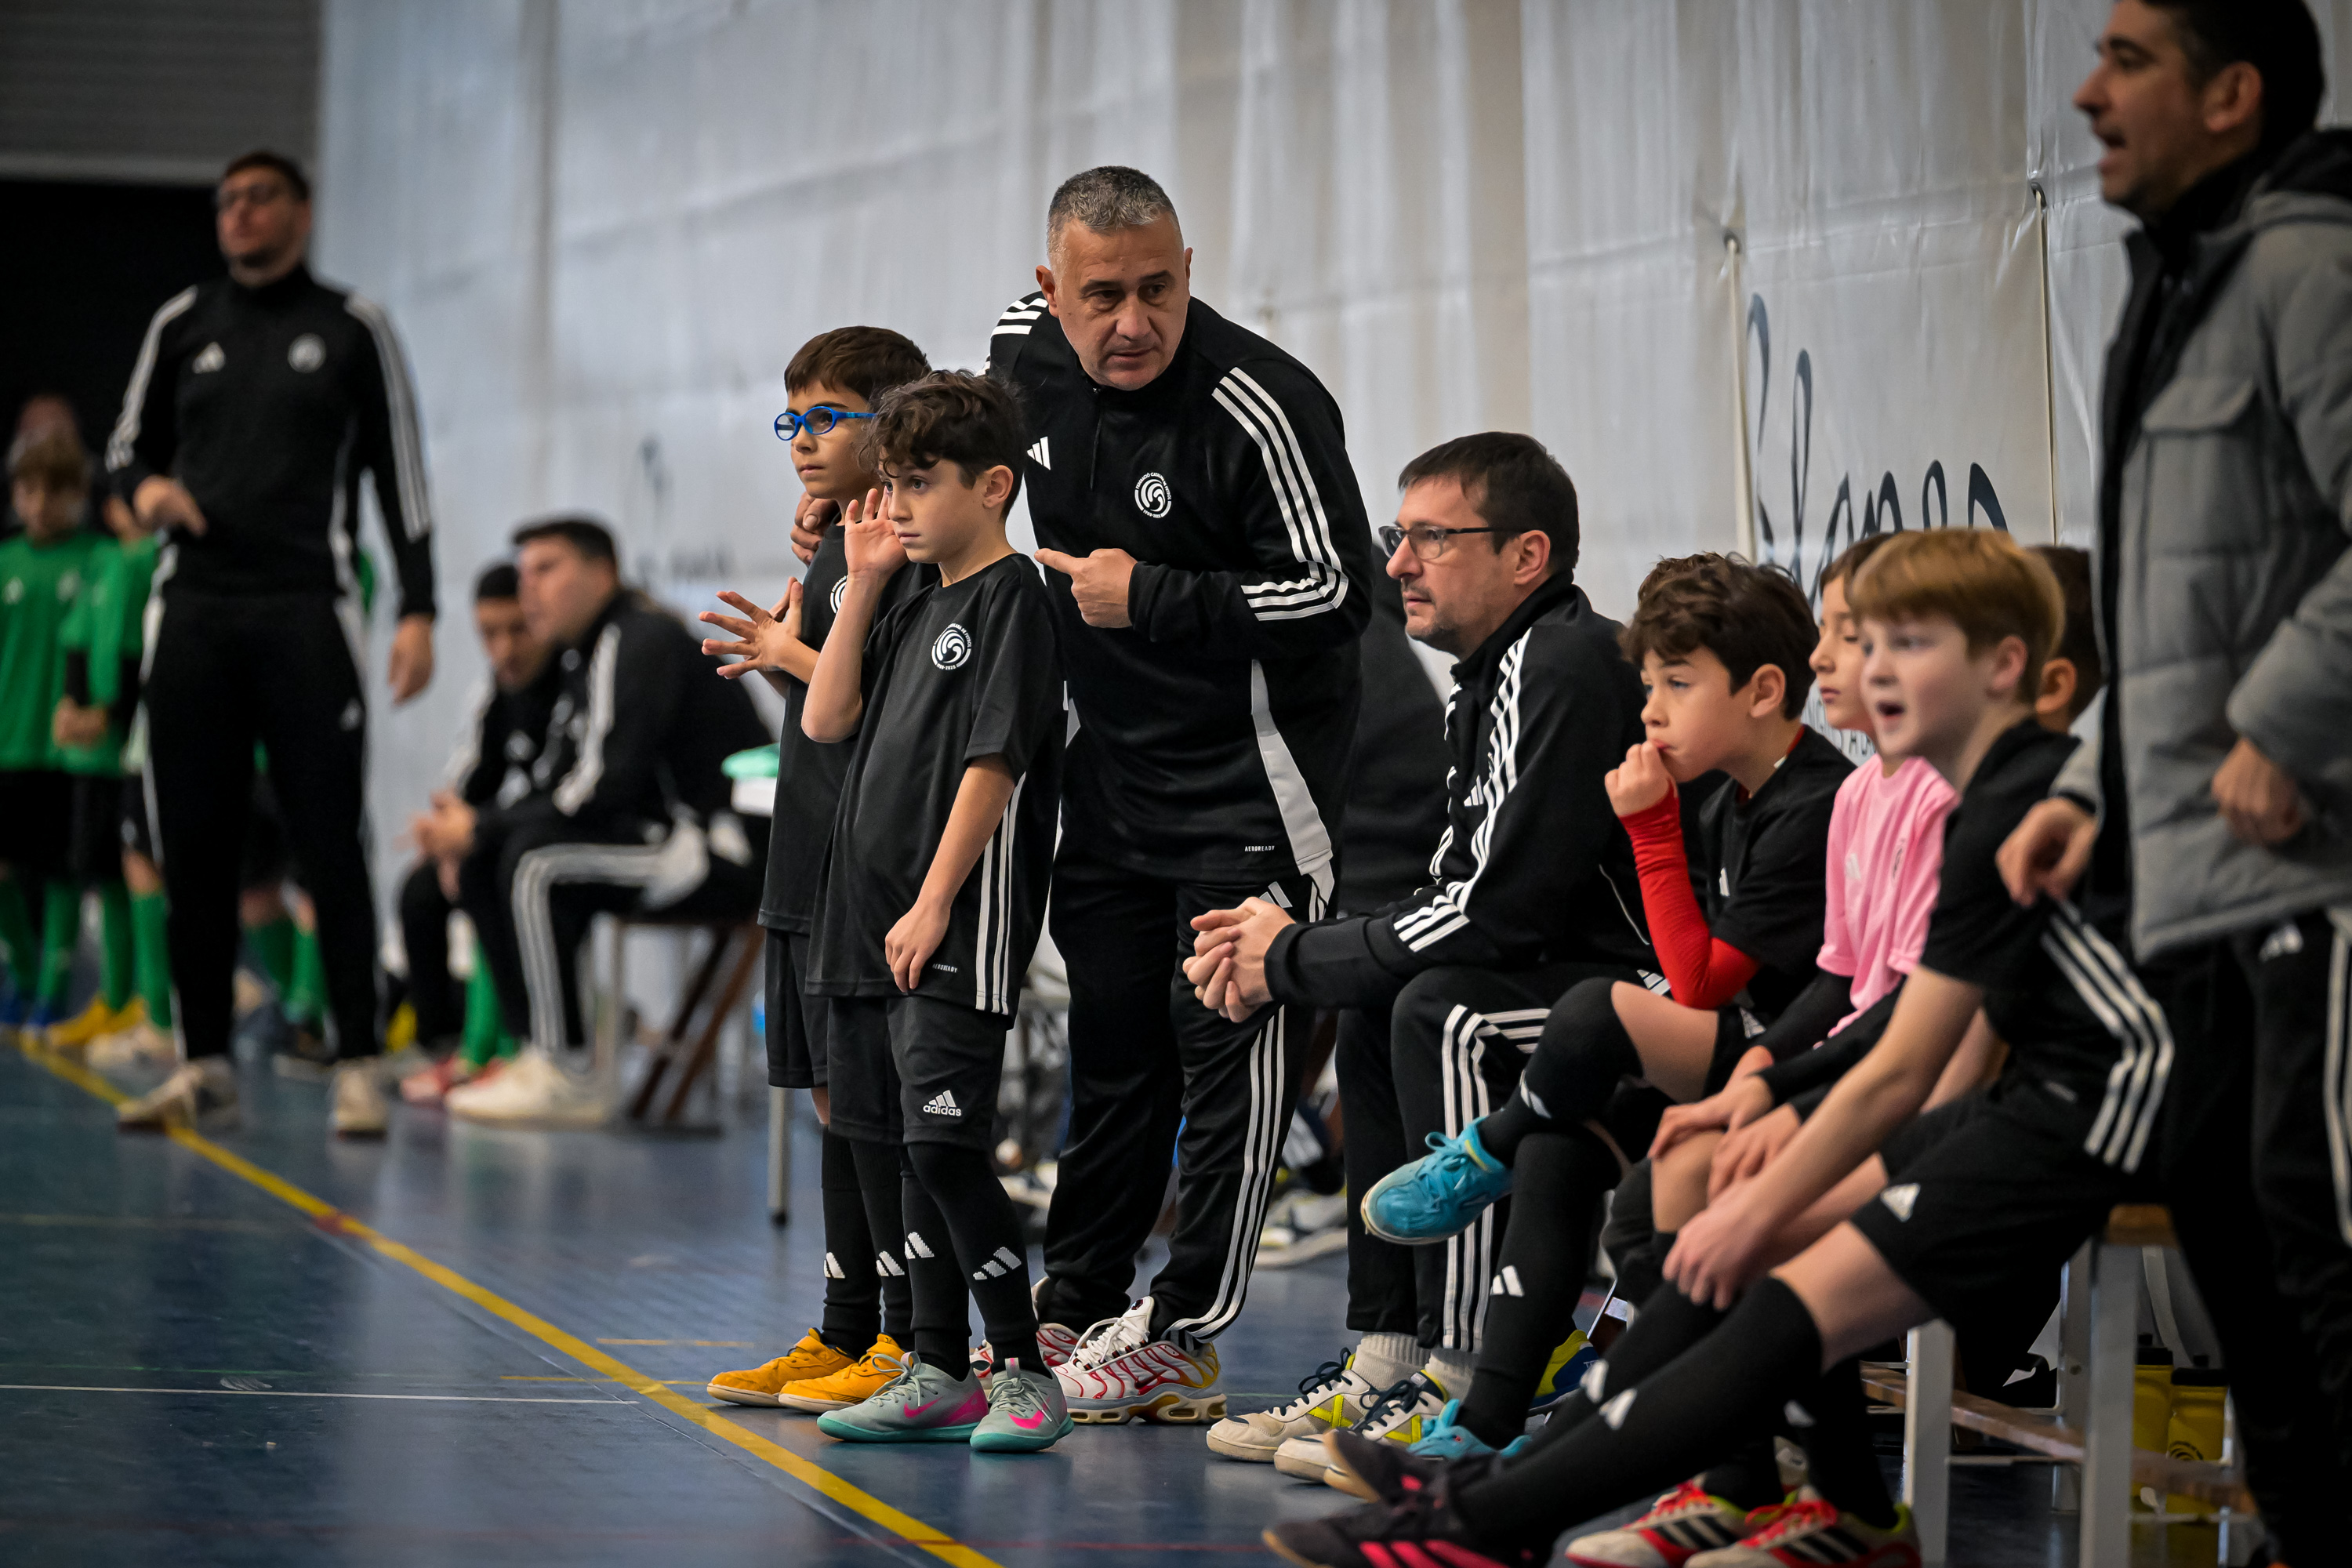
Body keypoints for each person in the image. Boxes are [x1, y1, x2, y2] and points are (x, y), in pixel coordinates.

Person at [1265, 531, 2100, 1568]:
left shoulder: (1996, 803)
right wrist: (1765, 1088)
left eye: (1901, 642)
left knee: (1709, 1204)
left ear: (2021, 671)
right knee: (1660, 1192)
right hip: (1963, 1102)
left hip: (2064, 1127)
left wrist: (1769, 1137)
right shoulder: (1943, 801)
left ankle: (1494, 1490)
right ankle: (1504, 1481)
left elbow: (1914, 1055)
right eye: (1858, 639)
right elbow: (1886, 1026)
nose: (1853, 665)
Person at [1998, 0, 2352, 1534]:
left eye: (2130, 60)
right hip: (2197, 879)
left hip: (2314, 866)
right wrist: (2090, 785)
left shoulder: (2313, 271)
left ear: (2234, 95)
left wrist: (2284, 721)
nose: (2088, 94)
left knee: (2314, 1237)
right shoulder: (2185, 283)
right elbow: (2179, 613)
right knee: (2233, 1236)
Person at [982, 164, 1376, 1421]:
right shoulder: (1020, 354)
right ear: (1050, 291)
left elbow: (1339, 591)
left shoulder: (1260, 403)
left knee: (1226, 1062)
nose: (1133, 321)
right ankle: (1074, 1303)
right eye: (1102, 296)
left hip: (1246, 793)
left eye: (1158, 288)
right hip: (1109, 782)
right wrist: (855, 505)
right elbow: (955, 458)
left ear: (1190, 272)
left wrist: (1148, 594)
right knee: (1111, 1051)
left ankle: (1186, 1331)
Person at [1181, 434, 1650, 1469]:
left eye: (1432, 538)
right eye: (1400, 536)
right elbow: (1455, 891)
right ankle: (1386, 1356)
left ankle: (1469, 1371)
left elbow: (1493, 913)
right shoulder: (1490, 678)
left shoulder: (1559, 661)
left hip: (1660, 992)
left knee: (1447, 1010)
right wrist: (1305, 955)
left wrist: (1288, 958)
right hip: (1570, 972)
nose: (1397, 563)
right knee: (1381, 990)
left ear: (1527, 556)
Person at [1353, 554, 1848, 1461]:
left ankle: (1485, 1148)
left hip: (1794, 1060)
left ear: (1764, 690)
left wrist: (1650, 828)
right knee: (1558, 1147)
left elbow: (1699, 984)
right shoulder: (1734, 797)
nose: (1651, 708)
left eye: (1677, 684)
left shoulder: (1810, 803)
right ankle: (1487, 1423)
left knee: (1591, 1013)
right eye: (1649, 683)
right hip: (1739, 1047)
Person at [107, 149, 438, 1138]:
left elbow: (400, 474)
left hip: (305, 610)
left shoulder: (352, 327)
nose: (240, 213)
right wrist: (147, 491)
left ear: (301, 211)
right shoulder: (182, 322)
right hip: (194, 611)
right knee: (192, 845)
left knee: (327, 839)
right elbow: (126, 448)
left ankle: (357, 1059)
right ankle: (203, 1060)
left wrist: (418, 607)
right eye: (228, 201)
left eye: (260, 198)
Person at [792, 372, 1069, 1451]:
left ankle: (1024, 1371)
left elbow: (995, 763)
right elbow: (826, 721)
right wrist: (864, 581)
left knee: (948, 1149)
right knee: (904, 1152)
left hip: (955, 921)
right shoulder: (913, 594)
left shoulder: (1012, 598)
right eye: (892, 482)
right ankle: (938, 1367)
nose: (897, 504)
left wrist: (936, 899)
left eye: (920, 483)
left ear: (992, 486)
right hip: (872, 919)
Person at [699, 325, 934, 1415]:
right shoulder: (838, 544)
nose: (802, 439)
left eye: (828, 418)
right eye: (792, 420)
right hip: (804, 850)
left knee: (876, 1102)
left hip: (864, 860)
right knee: (835, 1100)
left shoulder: (904, 551)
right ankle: (846, 1324)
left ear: (892, 424)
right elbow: (818, 695)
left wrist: (789, 652)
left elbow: (884, 708)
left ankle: (908, 1334)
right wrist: (788, 635)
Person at [445, 516, 768, 1126]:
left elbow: (602, 787)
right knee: (487, 858)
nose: (531, 588)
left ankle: (567, 1071)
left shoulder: (635, 637)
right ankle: (534, 1050)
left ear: (602, 573)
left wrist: (483, 825)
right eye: (524, 574)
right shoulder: (585, 652)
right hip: (667, 840)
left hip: (721, 850)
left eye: (547, 569)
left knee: (535, 864)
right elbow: (558, 780)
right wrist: (475, 832)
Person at [397, 562, 561, 1104]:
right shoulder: (496, 693)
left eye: (518, 630)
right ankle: (444, 1045)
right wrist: (447, 837)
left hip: (542, 841)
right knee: (421, 890)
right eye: (490, 634)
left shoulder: (572, 681)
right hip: (501, 835)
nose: (504, 648)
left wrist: (474, 838)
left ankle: (502, 1050)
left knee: (490, 873)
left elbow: (566, 797)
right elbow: (465, 784)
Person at [43, 442, 161, 1052]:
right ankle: (117, 998)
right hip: (96, 749)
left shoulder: (151, 565)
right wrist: (71, 704)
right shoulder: (104, 562)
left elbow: (140, 651)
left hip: (128, 745)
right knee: (105, 871)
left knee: (142, 867)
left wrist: (109, 716)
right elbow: (80, 638)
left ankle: (153, 1002)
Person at [0, 431, 104, 1033]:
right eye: (29, 490)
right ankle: (19, 969)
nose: (40, 505)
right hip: (8, 742)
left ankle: (53, 988)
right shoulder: (6, 563)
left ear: (79, 496)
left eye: (54, 492)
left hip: (70, 750)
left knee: (63, 869)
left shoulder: (98, 559)